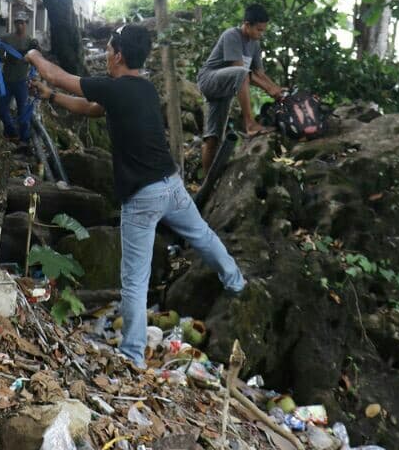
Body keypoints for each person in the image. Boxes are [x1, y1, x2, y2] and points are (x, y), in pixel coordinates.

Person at [26, 25, 245, 368]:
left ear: (118, 56)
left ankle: (132, 354)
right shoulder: (142, 89)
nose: (109, 55)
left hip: (143, 197)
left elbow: (59, 75)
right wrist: (49, 96)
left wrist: (32, 54)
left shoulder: (114, 87)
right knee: (202, 235)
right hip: (171, 185)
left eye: (111, 49)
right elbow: (88, 108)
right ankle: (235, 281)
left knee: (134, 279)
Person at [196, 4, 285, 174]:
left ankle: (206, 183)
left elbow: (259, 73)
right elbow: (241, 72)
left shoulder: (255, 45)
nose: (261, 34)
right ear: (247, 24)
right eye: (259, 30)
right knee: (242, 72)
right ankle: (250, 124)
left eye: (263, 30)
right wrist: (268, 89)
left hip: (226, 88)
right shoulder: (232, 35)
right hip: (209, 80)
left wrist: (277, 89)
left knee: (214, 137)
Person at [0, 10, 38, 143]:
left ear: (26, 24)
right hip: (6, 81)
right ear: (14, 24)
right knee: (2, 110)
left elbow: (37, 60)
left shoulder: (30, 41)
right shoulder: (7, 39)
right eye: (17, 23)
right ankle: (12, 132)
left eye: (22, 23)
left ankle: (25, 140)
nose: (20, 25)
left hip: (22, 81)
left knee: (24, 112)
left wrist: (35, 49)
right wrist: (9, 58)